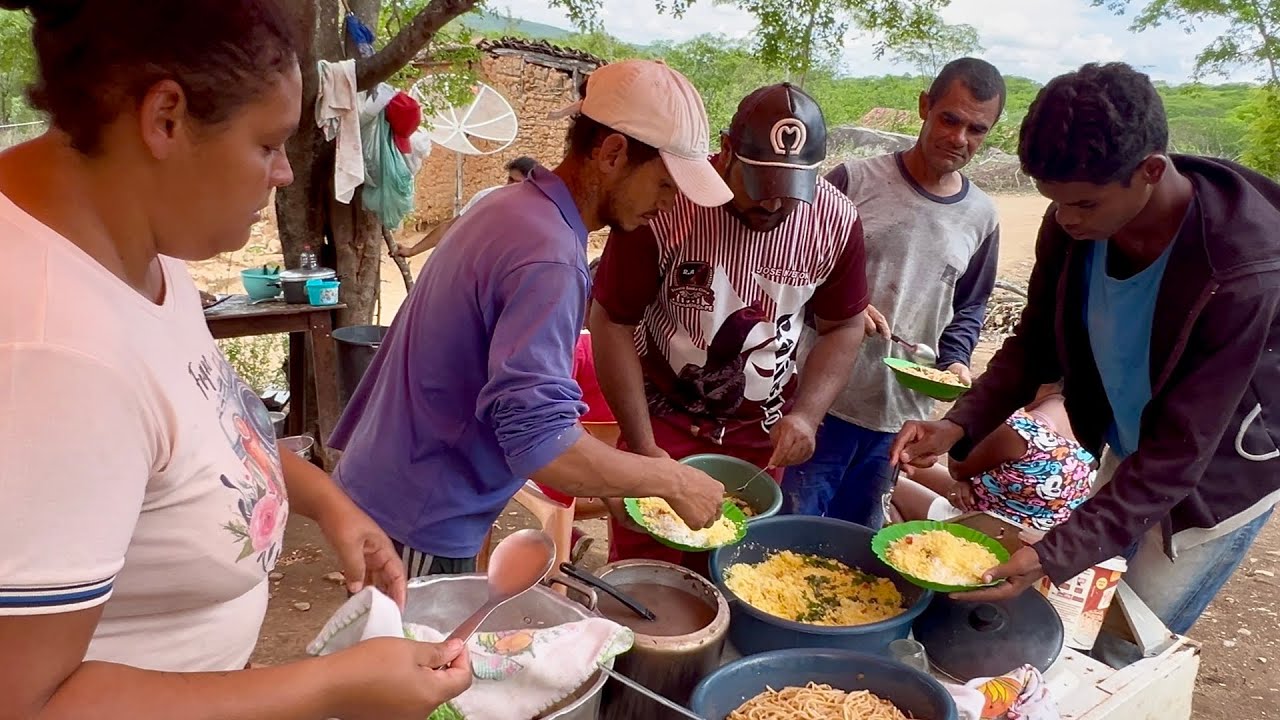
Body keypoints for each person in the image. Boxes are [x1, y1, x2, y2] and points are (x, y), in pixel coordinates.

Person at [0, 2, 472, 718]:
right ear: (165, 117)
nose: (284, 173)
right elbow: (27, 704)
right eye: (267, 144)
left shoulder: (138, 243)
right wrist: (333, 684)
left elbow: (200, 423)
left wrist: (326, 501)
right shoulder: (52, 352)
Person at [891, 62, 1280, 646]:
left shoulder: (1242, 268)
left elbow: (1182, 449)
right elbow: (1034, 344)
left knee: (1130, 638)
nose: (1066, 219)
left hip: (1217, 472)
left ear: (1149, 171)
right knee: (1084, 603)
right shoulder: (1074, 222)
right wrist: (958, 424)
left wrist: (1058, 551)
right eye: (1054, 202)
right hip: (1134, 443)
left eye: (1084, 205)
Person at [329, 59, 733, 579]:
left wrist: (616, 478)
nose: (671, 203)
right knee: (409, 656)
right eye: (665, 183)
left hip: (393, 484)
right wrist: (672, 481)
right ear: (612, 153)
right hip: (420, 513)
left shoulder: (509, 206)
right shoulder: (550, 259)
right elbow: (541, 444)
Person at [590, 82, 870, 564]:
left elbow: (844, 326)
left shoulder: (836, 221)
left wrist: (807, 414)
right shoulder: (665, 204)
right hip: (661, 418)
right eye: (760, 186)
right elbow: (612, 321)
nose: (772, 205)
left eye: (789, 192)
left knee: (738, 567)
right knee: (649, 563)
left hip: (761, 435)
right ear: (726, 151)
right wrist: (643, 449)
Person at [783, 58, 1004, 529]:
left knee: (857, 538)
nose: (959, 138)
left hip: (901, 419)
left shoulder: (981, 217)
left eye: (976, 129)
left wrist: (957, 359)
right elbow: (790, 267)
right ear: (925, 107)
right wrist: (844, 304)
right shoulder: (851, 182)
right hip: (820, 403)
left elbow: (969, 305)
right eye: (950, 118)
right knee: (790, 525)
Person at [891, 383, 1096, 533]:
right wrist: (966, 480)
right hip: (1028, 523)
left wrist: (972, 396)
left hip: (992, 532)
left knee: (887, 483)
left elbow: (957, 463)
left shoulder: (1023, 429)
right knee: (911, 468)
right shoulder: (1090, 430)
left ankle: (910, 563)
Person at [395, 156, 538, 258]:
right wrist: (412, 251)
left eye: (517, 182)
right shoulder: (486, 198)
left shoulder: (539, 211)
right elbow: (450, 228)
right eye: (510, 179)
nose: (510, 186)